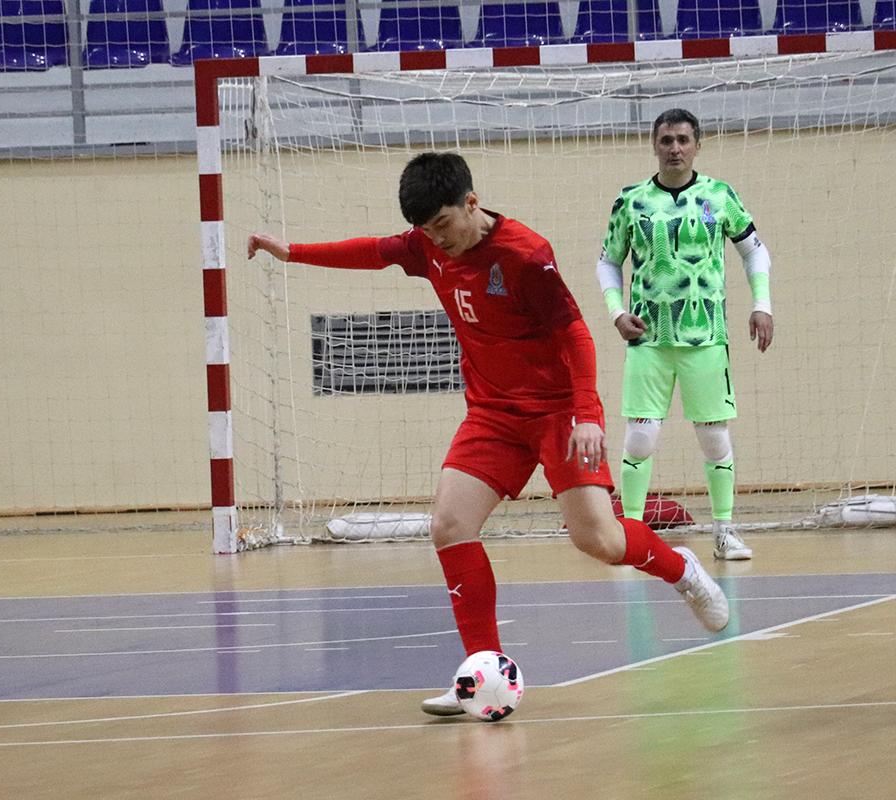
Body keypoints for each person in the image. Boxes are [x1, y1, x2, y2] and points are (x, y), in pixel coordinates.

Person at [248, 151, 728, 717]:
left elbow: (576, 336)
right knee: (449, 526)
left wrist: (586, 413)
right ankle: (482, 672)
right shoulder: (427, 245)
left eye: (442, 224)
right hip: (492, 415)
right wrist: (292, 252)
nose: (436, 239)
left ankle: (683, 571)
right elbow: (373, 252)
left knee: (599, 540)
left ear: (471, 203)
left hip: (557, 412)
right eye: (425, 231)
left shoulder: (525, 256)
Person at [596, 108, 774, 561]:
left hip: (706, 339)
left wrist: (762, 305)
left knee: (714, 437)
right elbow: (608, 261)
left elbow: (755, 252)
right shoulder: (631, 200)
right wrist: (617, 313)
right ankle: (631, 535)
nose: (674, 148)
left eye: (682, 140)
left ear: (697, 144)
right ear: (654, 145)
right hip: (648, 341)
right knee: (640, 438)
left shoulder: (719, 195)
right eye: (666, 140)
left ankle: (724, 532)